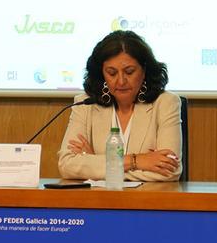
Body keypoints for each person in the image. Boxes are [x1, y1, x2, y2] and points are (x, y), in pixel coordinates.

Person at [58, 30, 182, 182]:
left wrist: (96, 164)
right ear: (102, 74)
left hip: (147, 200)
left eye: (129, 72)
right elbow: (66, 165)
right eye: (112, 73)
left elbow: (170, 171)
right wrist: (136, 161)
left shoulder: (165, 103)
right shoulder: (85, 104)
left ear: (144, 71)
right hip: (97, 202)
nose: (121, 81)